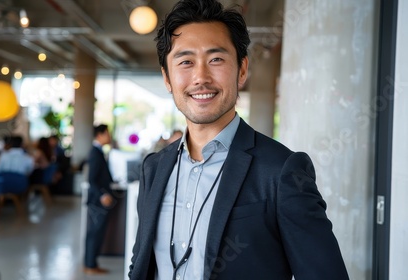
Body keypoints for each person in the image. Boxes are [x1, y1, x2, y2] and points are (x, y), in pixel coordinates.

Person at [128, 0, 349, 279]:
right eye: (185, 62)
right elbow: (141, 263)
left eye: (216, 59)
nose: (200, 77)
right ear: (167, 78)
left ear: (242, 69)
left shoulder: (282, 171)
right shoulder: (154, 168)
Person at [84, 124, 116, 275]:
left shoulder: (98, 151)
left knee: (96, 233)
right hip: (98, 201)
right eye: (107, 133)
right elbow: (92, 180)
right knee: (95, 233)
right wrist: (103, 195)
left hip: (98, 199)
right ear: (100, 135)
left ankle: (91, 263)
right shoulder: (95, 153)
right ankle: (90, 265)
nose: (109, 136)